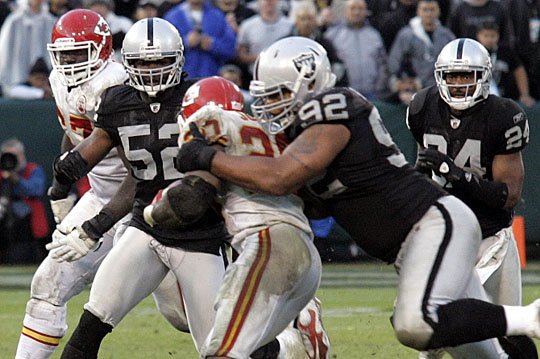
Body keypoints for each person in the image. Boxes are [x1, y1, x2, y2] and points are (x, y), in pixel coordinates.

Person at [175, 36, 540, 357]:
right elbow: (309, 197)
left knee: (415, 323)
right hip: (414, 241)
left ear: (311, 82)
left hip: (435, 224)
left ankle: (531, 316)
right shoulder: (303, 132)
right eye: (267, 98)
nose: (271, 106)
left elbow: (281, 177)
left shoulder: (335, 108)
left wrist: (208, 157)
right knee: (482, 353)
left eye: (281, 94)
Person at [52, 17, 230, 358]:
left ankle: (285, 346)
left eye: (159, 61)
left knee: (217, 349)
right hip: (145, 228)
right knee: (92, 321)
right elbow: (87, 156)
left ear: (178, 59)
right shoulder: (118, 101)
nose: (150, 70)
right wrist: (60, 189)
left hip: (200, 237)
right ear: (127, 64)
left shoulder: (198, 98)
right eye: (141, 62)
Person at [146, 76, 329, 359]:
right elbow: (317, 203)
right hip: (303, 251)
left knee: (221, 351)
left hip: (268, 245)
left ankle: (295, 336)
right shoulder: (269, 132)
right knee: (248, 347)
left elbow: (190, 200)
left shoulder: (207, 121)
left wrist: (152, 210)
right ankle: (294, 341)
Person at [407, 37, 537, 359]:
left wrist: (456, 173)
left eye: (467, 75)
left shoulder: (504, 115)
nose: (459, 83)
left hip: (488, 235)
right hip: (445, 235)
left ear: (484, 77)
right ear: (440, 77)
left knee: (507, 331)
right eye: (452, 76)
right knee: (436, 323)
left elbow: (508, 196)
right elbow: (422, 170)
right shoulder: (422, 107)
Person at [14, 9, 131, 358]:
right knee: (47, 285)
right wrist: (61, 187)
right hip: (102, 195)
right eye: (64, 54)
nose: (70, 62)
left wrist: (96, 225)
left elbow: (141, 176)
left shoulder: (116, 86)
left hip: (146, 208)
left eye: (79, 53)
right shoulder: (59, 80)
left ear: (102, 49)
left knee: (185, 315)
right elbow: (74, 135)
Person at [324, 0, 388, 100]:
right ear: (345, 11)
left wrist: (379, 88)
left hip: (372, 94)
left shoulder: (374, 35)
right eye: (353, 8)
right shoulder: (333, 34)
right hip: (343, 94)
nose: (357, 12)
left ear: (366, 12)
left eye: (360, 9)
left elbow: (382, 64)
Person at [0, 138, 48, 264]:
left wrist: (16, 179)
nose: (11, 160)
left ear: (22, 156)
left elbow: (37, 190)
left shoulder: (33, 170)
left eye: (14, 156)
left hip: (29, 230)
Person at [387, 0, 455, 90]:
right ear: (418, 11)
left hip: (442, 88)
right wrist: (400, 83)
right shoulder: (406, 35)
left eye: (432, 10)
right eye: (425, 10)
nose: (428, 14)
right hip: (414, 89)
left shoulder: (447, 36)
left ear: (438, 11)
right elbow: (394, 63)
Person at [163, 0, 237, 79]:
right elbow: (163, 49)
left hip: (210, 78)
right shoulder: (172, 17)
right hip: (182, 80)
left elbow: (231, 49)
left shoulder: (217, 16)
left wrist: (212, 44)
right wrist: (185, 42)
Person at [0, 0, 56, 94]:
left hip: (45, 77)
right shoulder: (14, 21)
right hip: (17, 79)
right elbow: (4, 52)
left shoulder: (50, 21)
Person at [475, 21, 536, 108]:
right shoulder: (474, 53)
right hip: (480, 98)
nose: (489, 39)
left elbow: (519, 70)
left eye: (492, 36)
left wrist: (525, 94)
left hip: (505, 97)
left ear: (498, 35)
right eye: (486, 36)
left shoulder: (505, 52)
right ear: (478, 36)